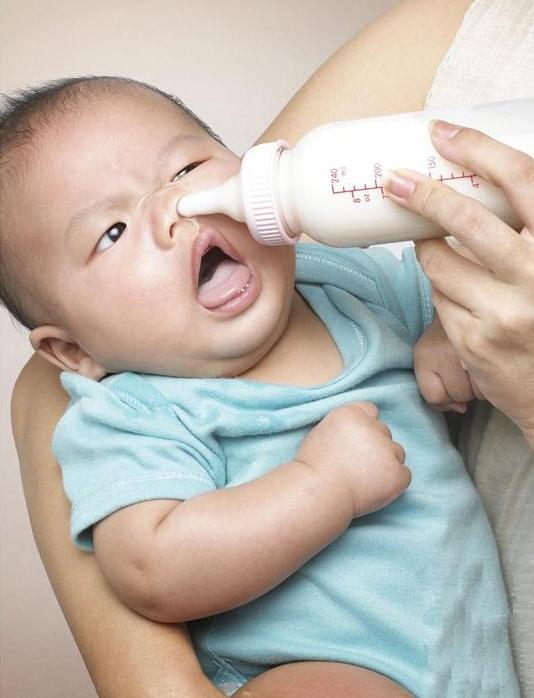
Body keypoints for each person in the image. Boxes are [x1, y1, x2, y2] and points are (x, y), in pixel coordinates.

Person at [7, 1, 532, 697]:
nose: (172, 212)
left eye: (186, 167)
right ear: (73, 351)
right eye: (111, 232)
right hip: (318, 670)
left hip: (473, 661)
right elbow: (149, 570)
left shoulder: (347, 281)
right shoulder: (131, 411)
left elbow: (477, 313)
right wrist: (323, 487)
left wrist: (445, 332)